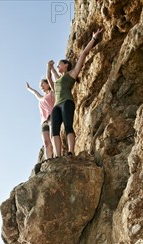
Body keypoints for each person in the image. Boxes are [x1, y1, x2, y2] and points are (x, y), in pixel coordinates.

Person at [47, 28, 103, 157]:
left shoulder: (72, 74)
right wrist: (48, 67)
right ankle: (57, 155)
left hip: (67, 102)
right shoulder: (58, 79)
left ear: (66, 65)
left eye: (59, 65)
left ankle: (71, 151)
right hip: (56, 106)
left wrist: (94, 38)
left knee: (68, 126)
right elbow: (49, 77)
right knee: (54, 131)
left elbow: (83, 53)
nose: (57, 67)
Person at [26, 79, 55, 159]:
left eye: (43, 84)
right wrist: (29, 88)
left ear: (48, 84)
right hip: (44, 122)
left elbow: (51, 80)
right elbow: (36, 93)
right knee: (46, 142)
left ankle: (56, 156)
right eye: (40, 85)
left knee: (53, 137)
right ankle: (48, 159)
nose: (41, 86)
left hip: (52, 116)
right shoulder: (41, 98)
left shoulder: (52, 93)